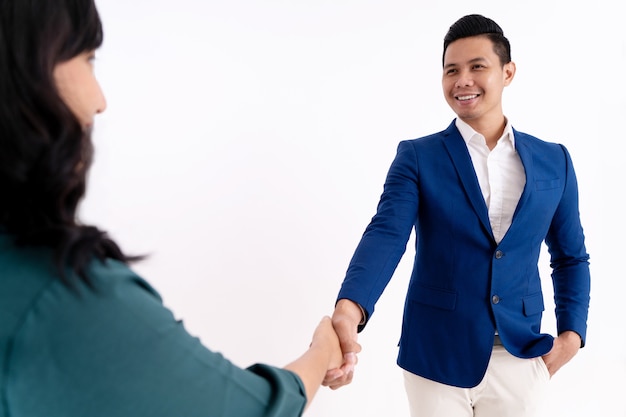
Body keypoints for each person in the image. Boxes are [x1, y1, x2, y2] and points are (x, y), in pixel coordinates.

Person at [0, 0, 342, 416]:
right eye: (88, 59)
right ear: (26, 70)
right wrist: (323, 350)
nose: (99, 101)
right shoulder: (63, 296)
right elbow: (252, 408)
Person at [323, 14, 591, 417]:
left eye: (477, 67)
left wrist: (571, 336)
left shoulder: (556, 161)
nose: (462, 80)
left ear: (508, 72)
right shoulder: (418, 156)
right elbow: (387, 234)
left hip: (521, 354)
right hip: (436, 356)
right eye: (452, 70)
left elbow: (570, 256)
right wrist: (350, 307)